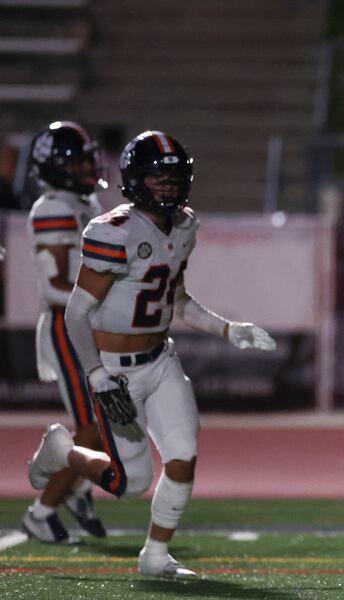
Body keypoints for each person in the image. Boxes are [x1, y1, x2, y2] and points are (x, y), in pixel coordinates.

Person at [27, 130, 277, 578]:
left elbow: (177, 301)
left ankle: (156, 557)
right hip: (117, 372)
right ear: (135, 180)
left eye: (174, 178)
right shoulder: (112, 231)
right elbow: (77, 315)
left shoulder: (184, 226)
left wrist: (228, 329)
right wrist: (96, 376)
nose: (167, 186)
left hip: (161, 361)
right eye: (157, 178)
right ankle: (63, 450)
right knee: (131, 484)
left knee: (183, 456)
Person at [23, 121, 107, 544]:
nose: (88, 166)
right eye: (78, 161)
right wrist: (102, 298)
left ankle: (76, 487)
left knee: (110, 420)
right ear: (56, 168)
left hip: (90, 324)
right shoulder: (54, 207)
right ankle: (41, 512)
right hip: (67, 324)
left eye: (89, 157)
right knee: (92, 424)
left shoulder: (83, 200)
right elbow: (52, 287)